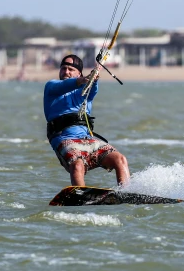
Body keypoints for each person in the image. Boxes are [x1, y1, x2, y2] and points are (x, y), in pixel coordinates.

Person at [43, 54, 130, 187]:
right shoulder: (52, 87)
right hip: (64, 138)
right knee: (78, 164)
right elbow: (64, 86)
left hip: (88, 139)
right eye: (64, 68)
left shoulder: (84, 92)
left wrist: (93, 79)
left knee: (120, 159)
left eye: (71, 69)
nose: (66, 72)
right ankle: (80, 194)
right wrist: (82, 80)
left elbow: (92, 88)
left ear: (79, 73)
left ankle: (126, 192)